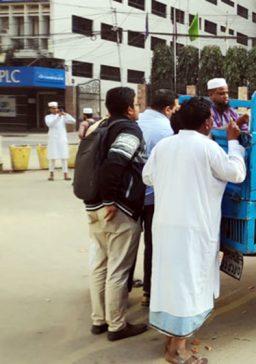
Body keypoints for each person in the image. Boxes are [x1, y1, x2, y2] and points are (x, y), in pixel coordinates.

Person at [143, 97, 246, 364]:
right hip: (194, 228)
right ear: (207, 122)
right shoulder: (207, 148)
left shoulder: (165, 146)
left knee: (169, 281)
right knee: (188, 284)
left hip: (165, 225)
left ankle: (170, 339)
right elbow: (235, 173)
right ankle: (177, 350)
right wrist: (234, 143)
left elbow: (147, 177)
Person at [83, 87, 148, 341]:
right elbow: (116, 161)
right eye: (137, 103)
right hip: (117, 209)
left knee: (99, 264)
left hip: (93, 206)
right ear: (129, 108)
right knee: (118, 270)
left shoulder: (100, 126)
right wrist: (111, 199)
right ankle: (117, 326)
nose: (138, 108)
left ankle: (98, 320)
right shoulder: (129, 130)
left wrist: (101, 199)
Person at [136, 89, 178, 307]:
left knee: (128, 245)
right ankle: (149, 292)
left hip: (129, 196)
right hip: (154, 197)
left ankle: (120, 289)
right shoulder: (167, 130)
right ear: (168, 109)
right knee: (153, 245)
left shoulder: (136, 121)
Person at [45, 101, 76, 181]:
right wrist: (58, 117)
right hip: (53, 139)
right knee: (52, 157)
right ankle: (51, 174)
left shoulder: (62, 117)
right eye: (54, 108)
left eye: (56, 108)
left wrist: (65, 114)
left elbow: (73, 121)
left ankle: (65, 174)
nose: (56, 110)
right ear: (50, 109)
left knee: (64, 156)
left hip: (62, 138)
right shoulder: (48, 117)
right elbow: (51, 124)